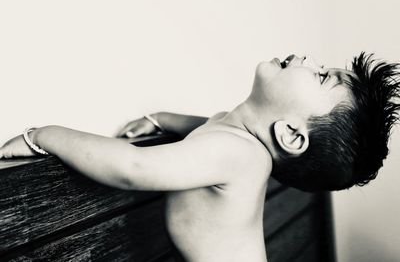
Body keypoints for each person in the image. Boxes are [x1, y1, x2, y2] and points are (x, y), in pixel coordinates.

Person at [0, 53, 399, 262]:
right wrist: (161, 119)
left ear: (291, 134)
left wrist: (45, 136)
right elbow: (209, 122)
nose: (309, 60)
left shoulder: (238, 155)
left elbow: (132, 168)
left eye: (321, 75)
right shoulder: (235, 138)